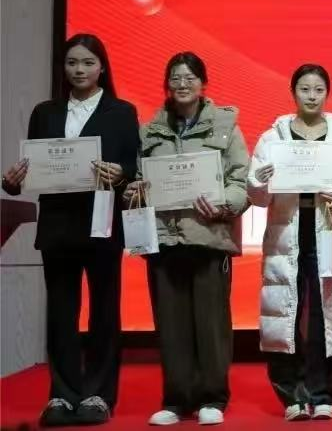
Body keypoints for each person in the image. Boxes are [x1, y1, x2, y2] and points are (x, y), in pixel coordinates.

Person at [2, 34, 139, 427]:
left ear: (102, 67)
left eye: (88, 62)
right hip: (58, 225)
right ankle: (61, 394)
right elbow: (33, 171)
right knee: (61, 312)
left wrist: (121, 173)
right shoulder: (44, 112)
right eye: (72, 63)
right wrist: (12, 182)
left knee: (104, 311)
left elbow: (134, 167)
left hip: (102, 222)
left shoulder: (121, 112)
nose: (79, 70)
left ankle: (98, 394)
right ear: (63, 68)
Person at [123, 52, 250, 427]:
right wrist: (135, 191)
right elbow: (138, 181)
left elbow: (241, 181)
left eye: (190, 77)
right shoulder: (149, 131)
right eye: (175, 78)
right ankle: (177, 399)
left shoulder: (225, 126)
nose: (182, 84)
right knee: (171, 323)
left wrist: (222, 203)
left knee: (211, 323)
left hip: (209, 236)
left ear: (203, 84)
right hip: (164, 239)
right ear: (167, 85)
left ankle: (213, 397)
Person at [248, 64, 332, 421]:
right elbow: (257, 196)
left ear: (327, 93)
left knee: (328, 313)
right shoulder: (273, 137)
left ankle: (324, 393)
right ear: (293, 92)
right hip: (287, 234)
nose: (311, 96)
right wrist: (260, 180)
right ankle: (292, 396)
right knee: (284, 314)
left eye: (318, 90)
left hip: (328, 232)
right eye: (304, 89)